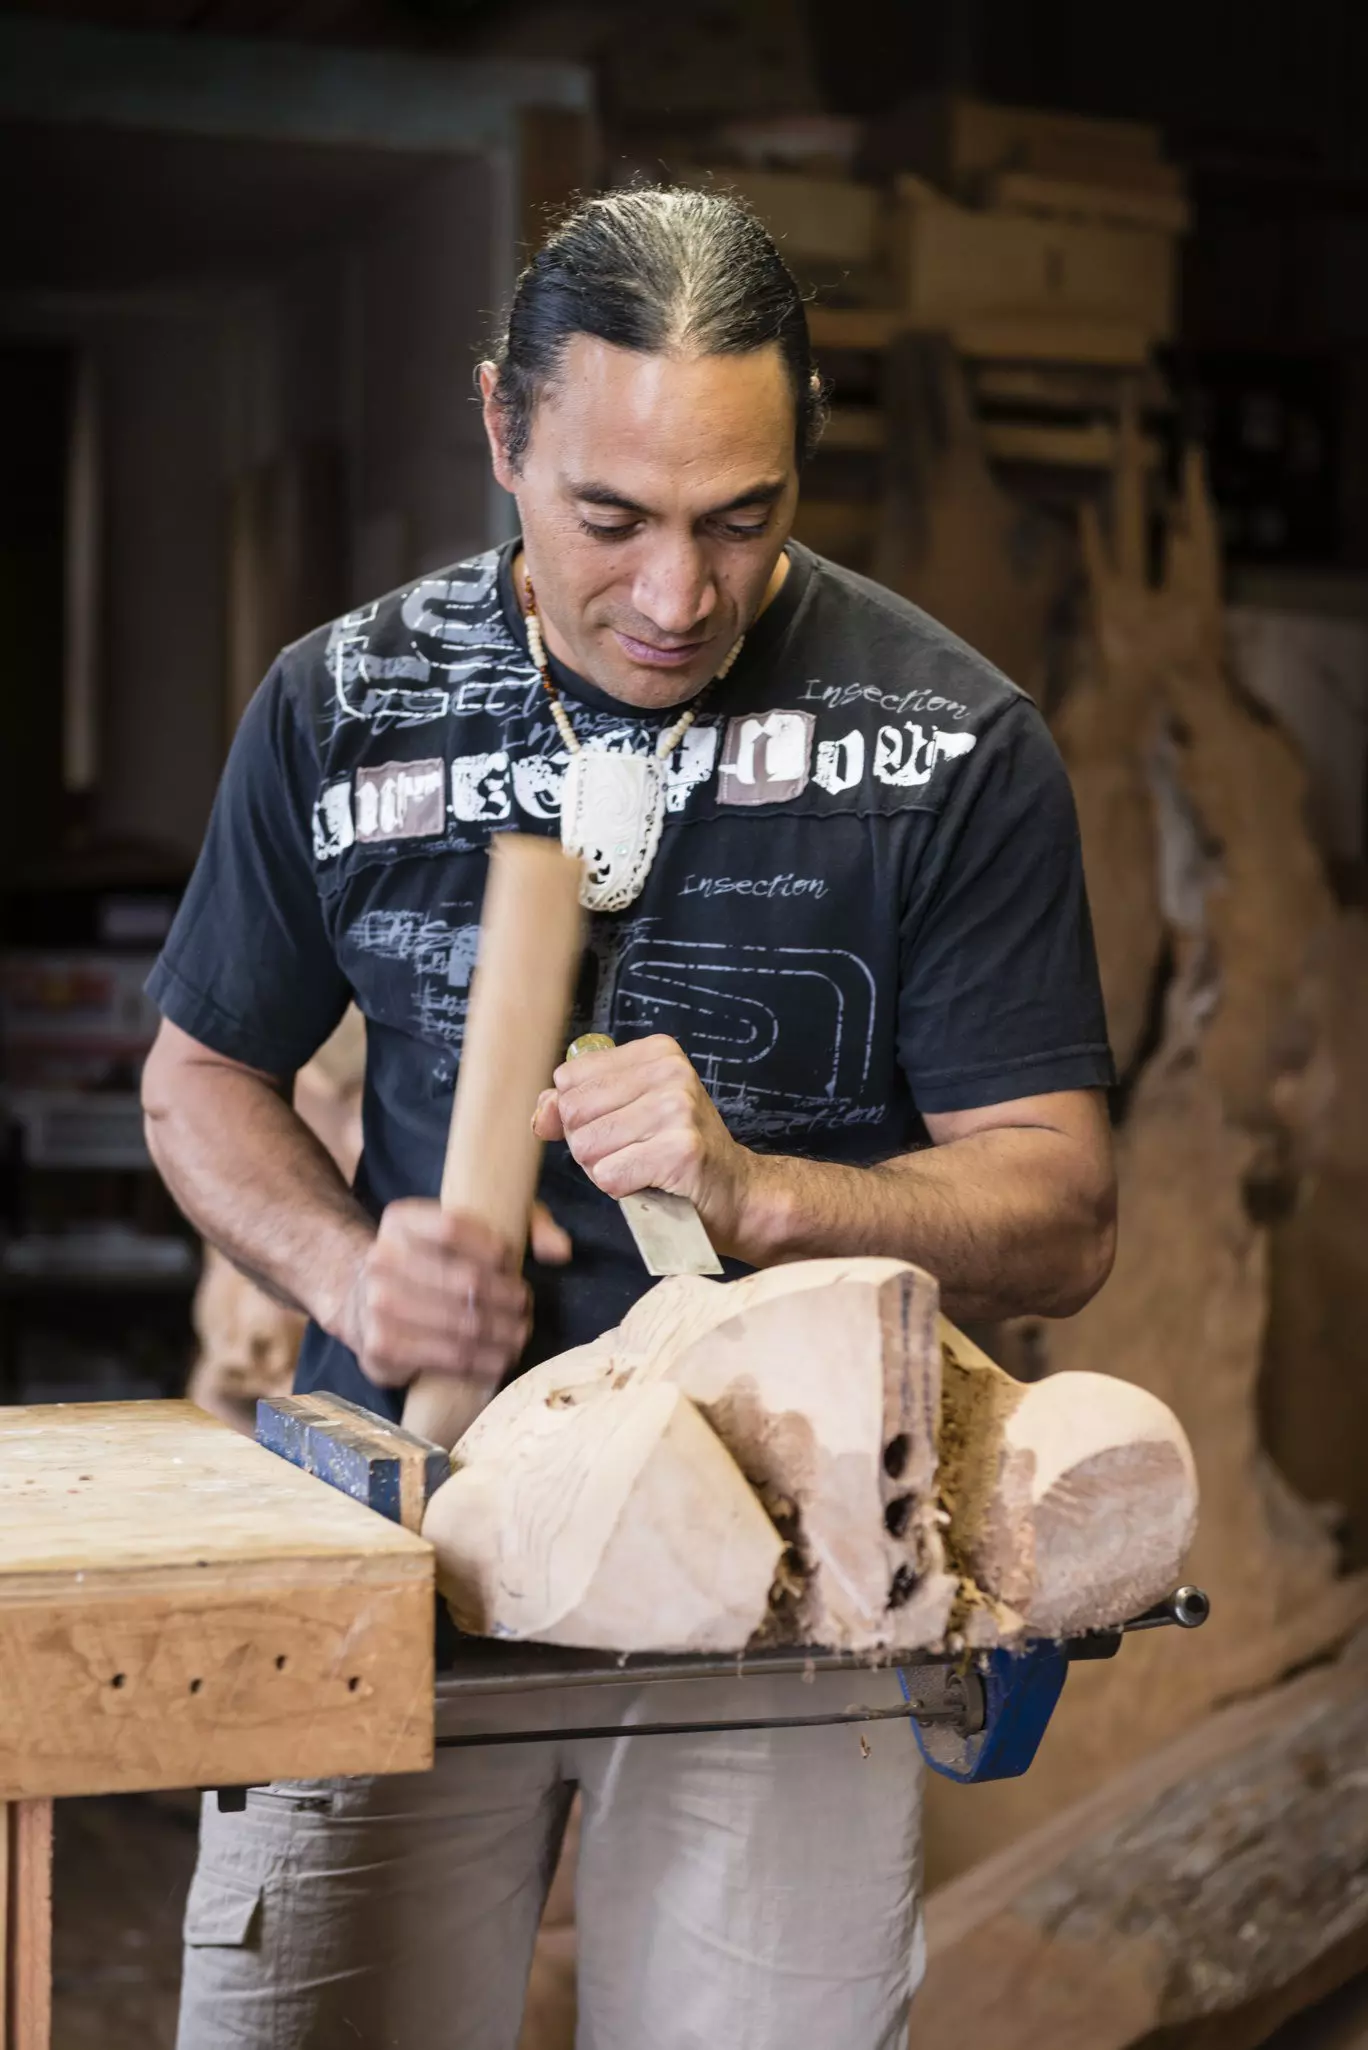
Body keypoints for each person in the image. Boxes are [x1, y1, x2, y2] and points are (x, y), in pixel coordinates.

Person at [144, 186, 1117, 2050]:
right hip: (415, 1534)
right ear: (505, 427)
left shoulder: (949, 749)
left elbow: (1063, 1209)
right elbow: (200, 1081)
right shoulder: (341, 709)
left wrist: (761, 1194)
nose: (679, 597)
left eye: (740, 522)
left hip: (796, 1575)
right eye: (615, 520)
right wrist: (355, 1269)